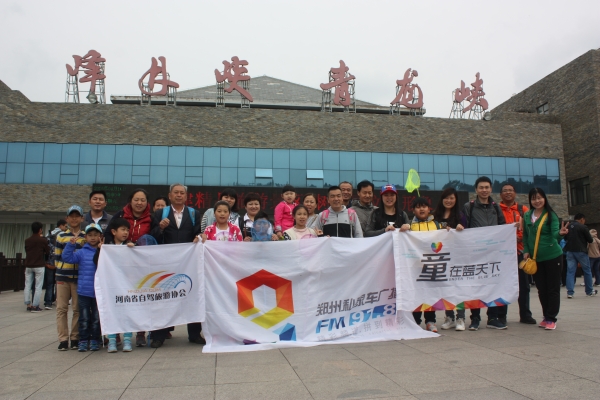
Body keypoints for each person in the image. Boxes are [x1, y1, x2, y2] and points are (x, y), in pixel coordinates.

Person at [150, 183, 202, 348]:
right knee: (163, 297)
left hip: (188, 262)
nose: (179, 195)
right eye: (176, 193)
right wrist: (160, 228)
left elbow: (198, 233)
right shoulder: (160, 213)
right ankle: (159, 336)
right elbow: (152, 236)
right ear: (170, 195)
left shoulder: (193, 213)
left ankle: (194, 334)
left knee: (192, 295)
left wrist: (199, 237)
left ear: (186, 196)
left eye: (182, 193)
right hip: (166, 262)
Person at [462, 176, 507, 330]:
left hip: (493, 254)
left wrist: (511, 229)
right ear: (476, 189)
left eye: (487, 187)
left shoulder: (496, 207)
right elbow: (464, 227)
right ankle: (475, 318)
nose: (484, 190)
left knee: (493, 285)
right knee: (476, 286)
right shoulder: (469, 206)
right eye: (481, 187)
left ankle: (492, 318)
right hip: (475, 254)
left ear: (491, 189)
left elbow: (503, 227)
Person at [522, 188, 568, 330]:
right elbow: (526, 235)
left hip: (553, 256)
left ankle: (551, 318)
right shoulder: (527, 215)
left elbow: (555, 234)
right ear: (530, 200)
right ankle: (546, 316)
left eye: (539, 198)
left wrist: (561, 233)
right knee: (541, 289)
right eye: (534, 198)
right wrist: (526, 250)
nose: (537, 201)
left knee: (552, 288)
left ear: (544, 199)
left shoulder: (550, 215)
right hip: (536, 258)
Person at [402, 197, 446, 332]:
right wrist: (403, 229)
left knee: (430, 294)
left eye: (424, 206)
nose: (421, 209)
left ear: (429, 209)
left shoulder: (437, 225)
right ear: (413, 210)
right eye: (418, 207)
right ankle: (415, 322)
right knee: (416, 295)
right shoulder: (410, 225)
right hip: (415, 267)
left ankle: (430, 321)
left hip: (432, 265)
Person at [61, 223, 103, 351]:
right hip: (84, 291)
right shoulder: (81, 252)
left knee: (96, 318)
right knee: (84, 318)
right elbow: (67, 258)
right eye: (90, 235)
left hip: (99, 292)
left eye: (95, 235)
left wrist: (102, 248)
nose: (93, 237)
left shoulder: (104, 251)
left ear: (100, 236)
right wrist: (71, 245)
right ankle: (83, 340)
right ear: (85, 237)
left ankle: (95, 339)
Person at [499, 183, 536, 325]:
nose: (508, 193)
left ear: (515, 193)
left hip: (520, 252)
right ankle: (501, 316)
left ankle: (525, 315)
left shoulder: (523, 210)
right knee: (503, 285)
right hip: (502, 254)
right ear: (501, 194)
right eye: (505, 191)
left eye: (510, 190)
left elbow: (530, 230)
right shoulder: (496, 209)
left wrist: (521, 238)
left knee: (524, 285)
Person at [98, 218, 136, 352]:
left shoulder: (130, 246)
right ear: (114, 232)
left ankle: (127, 339)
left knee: (127, 312)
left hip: (126, 286)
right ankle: (112, 340)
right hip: (111, 286)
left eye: (127, 230)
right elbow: (96, 262)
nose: (125, 233)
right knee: (111, 312)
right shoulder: (106, 247)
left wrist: (133, 249)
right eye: (123, 230)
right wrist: (100, 250)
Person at [433, 188, 468, 331]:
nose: (449, 201)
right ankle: (449, 318)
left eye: (452, 198)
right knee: (445, 288)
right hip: (441, 257)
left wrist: (460, 228)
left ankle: (461, 318)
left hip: (457, 257)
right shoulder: (436, 216)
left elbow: (468, 234)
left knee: (458, 288)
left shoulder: (460, 215)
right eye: (446, 198)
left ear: (456, 200)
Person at [53, 205, 86, 351]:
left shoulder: (85, 236)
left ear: (82, 218)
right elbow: (57, 256)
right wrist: (60, 269)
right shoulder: (61, 236)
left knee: (77, 309)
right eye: (71, 216)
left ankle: (74, 338)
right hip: (63, 277)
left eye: (77, 216)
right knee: (61, 309)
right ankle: (63, 339)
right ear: (67, 218)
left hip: (79, 277)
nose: (74, 219)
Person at [564, 213, 597, 298]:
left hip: (570, 251)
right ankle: (589, 291)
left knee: (570, 272)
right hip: (581, 251)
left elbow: (565, 238)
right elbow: (590, 240)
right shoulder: (583, 227)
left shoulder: (568, 226)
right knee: (587, 271)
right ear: (582, 219)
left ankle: (570, 292)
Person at [24, 222, 50, 313]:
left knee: (27, 285)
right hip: (39, 265)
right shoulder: (42, 240)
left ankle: (28, 304)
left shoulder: (27, 240)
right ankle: (35, 306)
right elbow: (47, 251)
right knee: (38, 286)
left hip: (28, 265)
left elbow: (26, 250)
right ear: (40, 230)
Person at [44, 219, 67, 310]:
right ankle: (58, 300)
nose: (65, 228)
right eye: (65, 226)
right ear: (61, 225)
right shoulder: (62, 235)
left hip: (49, 262)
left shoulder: (48, 234)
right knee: (59, 283)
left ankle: (48, 302)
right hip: (59, 262)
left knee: (49, 284)